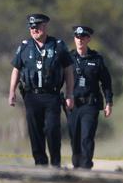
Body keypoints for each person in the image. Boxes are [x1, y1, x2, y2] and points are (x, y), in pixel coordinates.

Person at [8, 13, 75, 167]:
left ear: (45, 26)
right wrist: (12, 91)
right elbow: (16, 69)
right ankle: (40, 164)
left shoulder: (58, 45)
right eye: (32, 27)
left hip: (52, 96)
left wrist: (70, 93)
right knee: (35, 131)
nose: (34, 30)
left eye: (37, 27)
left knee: (52, 129)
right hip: (31, 96)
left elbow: (68, 70)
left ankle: (55, 162)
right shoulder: (25, 47)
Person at [67, 25, 113, 170]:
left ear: (88, 39)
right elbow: (58, 79)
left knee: (86, 137)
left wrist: (108, 102)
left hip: (90, 105)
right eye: (77, 38)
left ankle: (86, 167)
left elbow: (106, 82)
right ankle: (76, 166)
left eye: (82, 38)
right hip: (73, 105)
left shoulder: (97, 59)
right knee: (75, 139)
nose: (79, 41)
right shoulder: (68, 58)